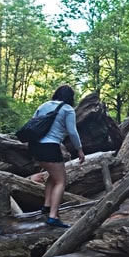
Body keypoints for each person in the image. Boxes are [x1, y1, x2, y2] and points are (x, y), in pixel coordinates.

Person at [29, 84, 85, 227]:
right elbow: (72, 132)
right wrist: (79, 150)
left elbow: (32, 122)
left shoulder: (44, 105)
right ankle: (53, 217)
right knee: (61, 181)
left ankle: (47, 206)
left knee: (53, 177)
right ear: (70, 97)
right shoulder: (67, 109)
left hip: (35, 147)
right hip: (50, 147)